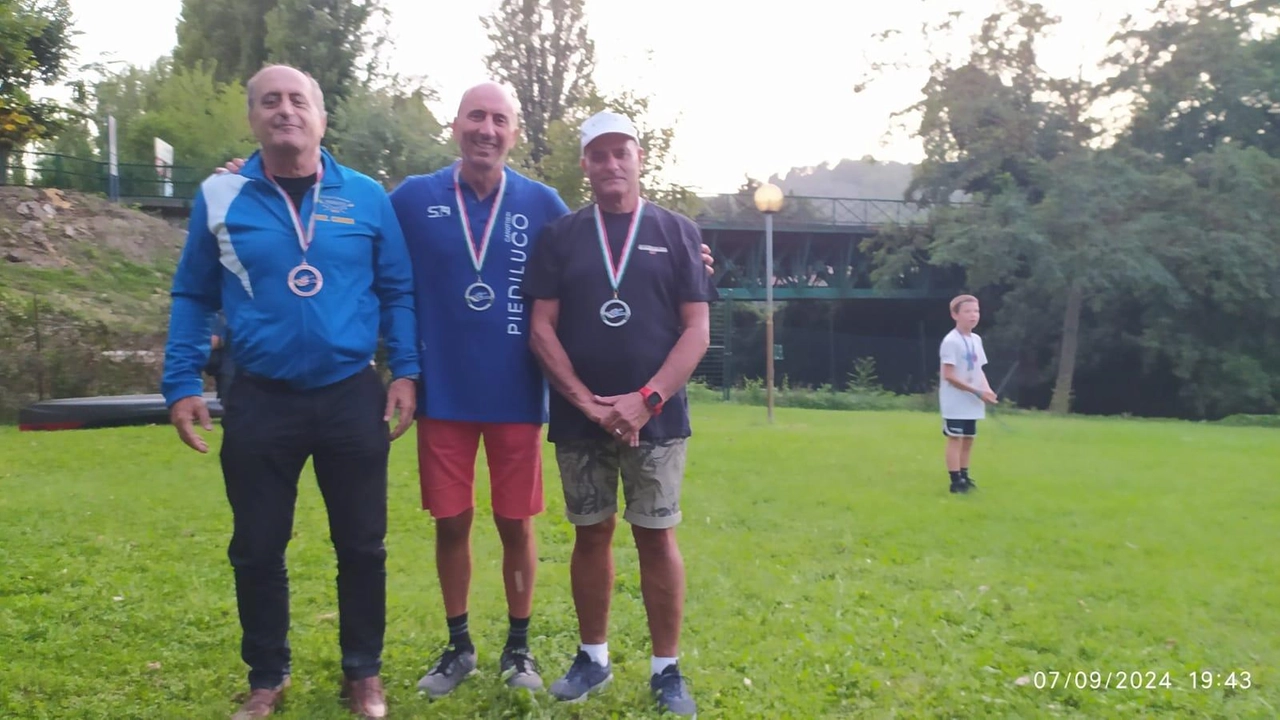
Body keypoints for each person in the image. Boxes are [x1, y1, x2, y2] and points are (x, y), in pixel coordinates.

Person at [218, 80, 716, 700]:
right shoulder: (411, 197)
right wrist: (259, 177)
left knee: (517, 524)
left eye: (499, 119)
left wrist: (689, 255)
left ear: (514, 132)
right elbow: (335, 218)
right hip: (443, 394)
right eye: (475, 117)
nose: (487, 128)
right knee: (451, 522)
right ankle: (459, 644)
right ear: (456, 125)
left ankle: (519, 645)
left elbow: (610, 239)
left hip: (517, 395)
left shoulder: (543, 203)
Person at [161, 64, 419, 720]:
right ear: (252, 119)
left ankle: (363, 674)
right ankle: (266, 677)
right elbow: (193, 292)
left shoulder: (365, 197)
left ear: (321, 118)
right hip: (259, 397)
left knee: (362, 544)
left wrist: (407, 371)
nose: (285, 110)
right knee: (256, 545)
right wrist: (181, 381)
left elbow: (396, 291)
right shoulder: (219, 197)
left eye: (297, 99)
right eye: (269, 101)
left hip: (348, 394)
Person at [523, 110, 718, 716]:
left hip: (655, 419)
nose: (611, 164)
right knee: (591, 534)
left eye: (621, 152)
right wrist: (587, 401)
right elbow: (541, 328)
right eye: (598, 154)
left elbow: (697, 330)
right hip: (581, 418)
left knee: (656, 537)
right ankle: (593, 659)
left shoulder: (678, 231)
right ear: (585, 163)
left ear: (639, 158)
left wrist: (644, 400)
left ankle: (667, 670)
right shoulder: (561, 235)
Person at [938, 294, 997, 494]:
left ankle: (964, 475)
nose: (973, 315)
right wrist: (978, 392)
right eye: (968, 311)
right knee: (955, 438)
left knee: (969, 439)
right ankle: (955, 481)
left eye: (976, 311)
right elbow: (949, 375)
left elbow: (979, 368)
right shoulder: (950, 341)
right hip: (955, 401)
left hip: (973, 400)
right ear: (955, 315)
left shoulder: (976, 340)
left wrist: (987, 390)